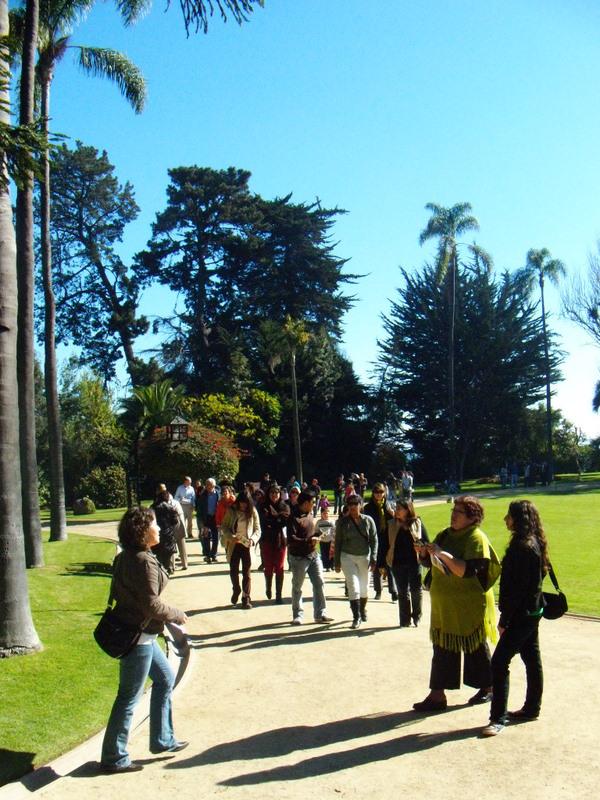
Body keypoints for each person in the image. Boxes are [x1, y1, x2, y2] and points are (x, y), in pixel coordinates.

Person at [100, 508, 188, 773]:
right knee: (128, 697)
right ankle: (114, 757)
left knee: (164, 679)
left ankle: (163, 740)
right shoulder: (142, 561)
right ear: (142, 531)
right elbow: (151, 604)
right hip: (138, 637)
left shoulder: (130, 556)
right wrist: (177, 615)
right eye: (154, 525)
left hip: (141, 634)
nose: (159, 529)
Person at [413, 496, 500, 712]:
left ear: (472, 517)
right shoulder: (445, 534)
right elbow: (430, 563)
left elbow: (466, 571)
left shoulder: (476, 538)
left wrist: (442, 554)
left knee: (474, 646)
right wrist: (424, 553)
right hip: (444, 605)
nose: (453, 514)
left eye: (459, 512)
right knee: (442, 647)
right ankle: (437, 695)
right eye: (454, 510)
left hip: (469, 605)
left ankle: (489, 687)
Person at [481, 500, 548, 737]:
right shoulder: (534, 541)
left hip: (522, 614)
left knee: (499, 662)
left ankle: (497, 718)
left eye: (508, 516)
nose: (505, 519)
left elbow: (516, 590)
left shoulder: (522, 547)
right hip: (533, 610)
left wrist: (504, 620)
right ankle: (532, 708)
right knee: (531, 658)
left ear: (518, 519)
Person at [287, 491, 333, 625]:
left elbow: (311, 532)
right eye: (313, 502)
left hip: (313, 555)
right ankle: (298, 615)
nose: (314, 505)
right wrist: (308, 540)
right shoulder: (293, 518)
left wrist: (318, 534)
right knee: (297, 587)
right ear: (306, 503)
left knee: (319, 583)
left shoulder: (310, 514)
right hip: (299, 557)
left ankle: (320, 614)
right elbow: (291, 539)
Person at [334, 494, 377, 629]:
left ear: (360, 505)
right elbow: (338, 542)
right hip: (347, 556)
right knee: (353, 586)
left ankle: (362, 609)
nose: (352, 507)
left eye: (355, 504)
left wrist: (374, 557)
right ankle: (356, 616)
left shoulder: (368, 521)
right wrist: (337, 562)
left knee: (364, 588)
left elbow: (374, 540)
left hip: (364, 556)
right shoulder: (342, 522)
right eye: (350, 504)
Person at [386, 500, 429, 627]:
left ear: (408, 510)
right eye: (396, 508)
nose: (397, 510)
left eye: (400, 508)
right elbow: (385, 544)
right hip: (397, 562)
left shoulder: (417, 523)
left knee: (416, 589)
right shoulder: (392, 524)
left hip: (414, 562)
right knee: (402, 591)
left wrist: (421, 547)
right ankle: (404, 620)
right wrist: (382, 563)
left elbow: (426, 541)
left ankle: (416, 615)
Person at [220, 492, 261, 609]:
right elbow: (224, 526)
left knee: (246, 573)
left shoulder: (252, 511)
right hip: (234, 545)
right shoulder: (231, 511)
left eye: (246, 503)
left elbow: (258, 529)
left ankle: (246, 598)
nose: (243, 506)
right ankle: (236, 589)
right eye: (241, 503)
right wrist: (230, 536)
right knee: (233, 570)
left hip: (247, 546)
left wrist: (253, 540)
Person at [363, 484, 396, 601]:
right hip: (374, 538)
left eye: (381, 492)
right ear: (373, 493)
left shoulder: (389, 506)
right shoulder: (368, 508)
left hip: (387, 538)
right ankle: (378, 590)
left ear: (384, 493)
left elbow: (396, 521)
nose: (379, 494)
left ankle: (393, 591)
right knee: (376, 565)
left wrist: (393, 514)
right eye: (376, 492)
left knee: (390, 564)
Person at [258, 483, 290, 602]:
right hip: (266, 539)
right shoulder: (263, 505)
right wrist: (277, 518)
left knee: (279, 567)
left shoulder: (284, 505)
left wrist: (274, 517)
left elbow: (285, 520)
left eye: (276, 493)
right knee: (268, 566)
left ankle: (278, 594)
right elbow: (263, 521)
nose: (274, 495)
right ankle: (268, 587)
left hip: (280, 540)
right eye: (272, 492)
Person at [150, 490, 180, 574]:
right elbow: (175, 521)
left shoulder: (153, 507)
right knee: (168, 553)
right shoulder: (170, 508)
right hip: (168, 532)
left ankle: (161, 568)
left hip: (157, 532)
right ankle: (169, 567)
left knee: (159, 553)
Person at [196, 478, 220, 563]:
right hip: (206, 518)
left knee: (216, 537)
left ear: (213, 485)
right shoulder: (203, 495)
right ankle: (207, 555)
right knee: (206, 537)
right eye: (206, 485)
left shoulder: (218, 494)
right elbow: (199, 509)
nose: (207, 487)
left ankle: (214, 555)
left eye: (209, 485)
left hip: (215, 518)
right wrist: (201, 522)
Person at [315, 506, 335, 571]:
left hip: (330, 540)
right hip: (322, 541)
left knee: (331, 554)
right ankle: (326, 566)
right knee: (324, 554)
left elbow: (334, 530)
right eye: (324, 513)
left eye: (327, 513)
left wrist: (333, 538)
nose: (326, 515)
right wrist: (319, 535)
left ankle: (331, 565)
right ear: (321, 514)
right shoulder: (319, 522)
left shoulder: (331, 522)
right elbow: (316, 531)